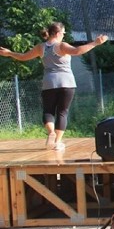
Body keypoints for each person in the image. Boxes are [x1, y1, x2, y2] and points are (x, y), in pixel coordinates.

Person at [0, 22, 108, 151]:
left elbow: (24, 57)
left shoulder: (41, 47)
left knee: (48, 111)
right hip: (66, 83)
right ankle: (57, 142)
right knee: (62, 112)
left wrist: (10, 53)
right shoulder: (61, 46)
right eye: (63, 33)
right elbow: (78, 51)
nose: (63, 35)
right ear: (57, 33)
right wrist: (95, 43)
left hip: (49, 83)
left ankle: (51, 132)